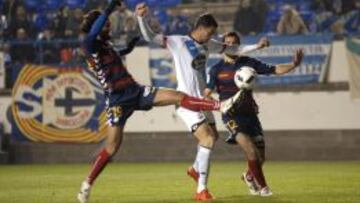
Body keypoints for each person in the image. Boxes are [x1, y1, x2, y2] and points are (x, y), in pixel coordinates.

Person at [76, 1, 244, 203]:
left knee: (178, 96)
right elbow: (97, 35)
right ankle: (86, 185)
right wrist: (111, 5)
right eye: (106, 24)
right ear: (97, 25)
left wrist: (127, 49)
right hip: (117, 100)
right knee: (112, 147)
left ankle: (220, 105)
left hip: (135, 91)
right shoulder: (88, 42)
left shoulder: (104, 45)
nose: (109, 26)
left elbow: (111, 56)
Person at [135, 3, 270, 201]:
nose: (211, 36)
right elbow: (150, 36)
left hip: (202, 100)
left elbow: (234, 48)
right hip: (186, 101)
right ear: (201, 28)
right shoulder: (177, 42)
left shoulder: (208, 44)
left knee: (213, 136)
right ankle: (201, 190)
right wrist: (141, 18)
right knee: (207, 139)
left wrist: (257, 46)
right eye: (210, 32)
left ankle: (195, 169)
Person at [204, 32, 304, 197]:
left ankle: (249, 176)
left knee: (261, 157)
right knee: (250, 151)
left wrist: (293, 64)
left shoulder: (248, 63)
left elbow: (274, 70)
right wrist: (216, 104)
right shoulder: (216, 69)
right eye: (227, 43)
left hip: (250, 114)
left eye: (234, 43)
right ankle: (264, 188)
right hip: (231, 116)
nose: (231, 45)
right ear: (223, 46)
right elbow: (206, 93)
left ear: (239, 45)